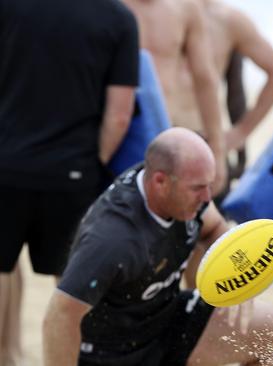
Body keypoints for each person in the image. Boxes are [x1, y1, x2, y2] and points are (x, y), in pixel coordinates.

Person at [42, 127, 273, 366]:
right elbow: (60, 315)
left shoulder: (185, 197)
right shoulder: (112, 238)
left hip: (165, 321)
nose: (207, 198)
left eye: (209, 185)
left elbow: (214, 230)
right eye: (198, 188)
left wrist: (236, 280)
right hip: (111, 354)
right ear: (160, 182)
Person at [0, 0, 139, 364]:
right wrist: (94, 164)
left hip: (6, 166)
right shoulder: (118, 17)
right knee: (71, 286)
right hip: (73, 174)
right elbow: (120, 114)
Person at [174, 0, 273, 204]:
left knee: (208, 228)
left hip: (204, 140)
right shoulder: (154, 9)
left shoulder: (228, 19)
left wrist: (241, 132)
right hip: (157, 133)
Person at [122, 0, 227, 195]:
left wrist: (218, 150)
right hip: (115, 134)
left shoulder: (186, 7)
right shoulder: (108, 5)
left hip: (164, 131)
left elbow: (204, 79)